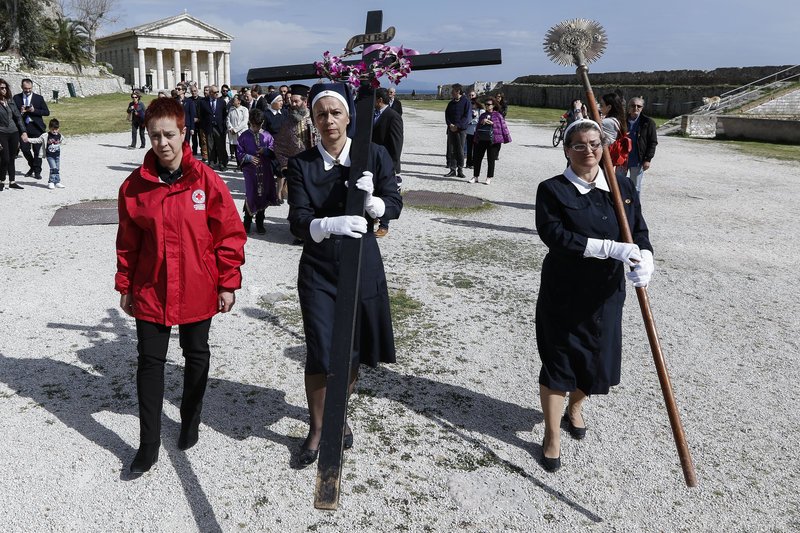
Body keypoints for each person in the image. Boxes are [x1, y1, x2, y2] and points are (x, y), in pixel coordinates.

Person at [115, 97, 246, 475]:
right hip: (151, 288)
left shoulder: (205, 180)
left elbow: (229, 234)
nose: (162, 143)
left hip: (197, 285)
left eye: (169, 135)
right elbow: (128, 242)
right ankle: (148, 444)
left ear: (183, 132)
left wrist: (227, 283)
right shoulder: (134, 187)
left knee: (196, 353)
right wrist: (125, 285)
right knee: (149, 362)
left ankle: (190, 419)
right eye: (155, 136)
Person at [285, 82, 402, 466]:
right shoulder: (302, 164)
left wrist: (374, 204)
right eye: (321, 114)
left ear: (349, 116)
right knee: (321, 351)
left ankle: (339, 413)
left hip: (363, 264)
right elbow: (298, 220)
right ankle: (319, 428)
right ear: (313, 120)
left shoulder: (374, 155)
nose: (329, 120)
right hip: (319, 269)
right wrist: (328, 224)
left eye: (335, 112)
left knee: (352, 350)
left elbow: (394, 203)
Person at [534, 119, 654, 473]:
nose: (588, 151)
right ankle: (552, 435)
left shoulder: (622, 185)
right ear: (566, 150)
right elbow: (554, 236)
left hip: (606, 293)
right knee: (559, 362)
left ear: (604, 146)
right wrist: (609, 248)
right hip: (565, 291)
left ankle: (575, 408)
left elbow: (639, 230)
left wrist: (646, 258)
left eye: (594, 144)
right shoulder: (553, 189)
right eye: (579, 145)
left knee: (597, 361)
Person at [273, 83, 315, 207]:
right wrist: (285, 165)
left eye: (296, 101)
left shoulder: (314, 118)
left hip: (314, 166)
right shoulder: (288, 121)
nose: (293, 104)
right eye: (291, 101)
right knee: (296, 201)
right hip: (296, 168)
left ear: (305, 101)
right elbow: (278, 145)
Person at [236, 108, 276, 235]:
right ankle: (247, 222)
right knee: (251, 193)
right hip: (250, 171)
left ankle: (260, 222)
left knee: (263, 193)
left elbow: (274, 150)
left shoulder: (267, 136)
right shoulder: (244, 136)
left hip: (265, 170)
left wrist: (266, 151)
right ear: (250, 122)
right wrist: (248, 157)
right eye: (253, 126)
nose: (256, 128)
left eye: (258, 126)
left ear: (262, 123)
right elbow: (239, 152)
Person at [371, 87, 404, 238]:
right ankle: (373, 216)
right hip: (373, 158)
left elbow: (397, 142)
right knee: (373, 189)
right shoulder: (373, 114)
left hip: (387, 161)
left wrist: (392, 163)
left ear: (379, 100)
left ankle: (384, 224)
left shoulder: (393, 116)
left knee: (385, 192)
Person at [618, 96, 658, 194]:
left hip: (637, 159)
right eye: (633, 105)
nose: (635, 108)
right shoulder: (621, 121)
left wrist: (648, 159)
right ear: (628, 107)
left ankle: (634, 204)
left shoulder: (648, 122)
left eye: (638, 106)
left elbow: (652, 142)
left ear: (642, 108)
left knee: (635, 187)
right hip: (622, 159)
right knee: (619, 184)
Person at [13, 78, 50, 179]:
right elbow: (13, 114)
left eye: (30, 88)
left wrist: (34, 110)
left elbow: (46, 112)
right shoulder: (16, 98)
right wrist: (20, 112)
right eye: (25, 88)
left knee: (37, 151)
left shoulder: (39, 98)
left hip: (37, 128)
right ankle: (32, 166)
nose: (28, 90)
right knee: (24, 149)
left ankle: (37, 171)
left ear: (32, 87)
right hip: (23, 128)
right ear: (22, 87)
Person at [469, 97, 511, 185]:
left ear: (493, 105)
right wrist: (482, 122)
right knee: (477, 158)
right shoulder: (483, 115)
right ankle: (475, 176)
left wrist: (493, 123)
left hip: (493, 140)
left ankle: (489, 177)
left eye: (488, 104)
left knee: (491, 159)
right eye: (486, 104)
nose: (487, 106)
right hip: (482, 139)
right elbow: (478, 128)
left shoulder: (498, 115)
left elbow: (502, 127)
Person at [0, 78, 29, 191]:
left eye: (5, 88)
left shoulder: (10, 101)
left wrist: (23, 132)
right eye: (2, 88)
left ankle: (12, 182)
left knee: (12, 158)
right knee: (5, 158)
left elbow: (18, 117)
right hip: (2, 133)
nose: (4, 90)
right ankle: (2, 181)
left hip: (14, 133)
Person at [25, 118, 65, 189]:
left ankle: (57, 182)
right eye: (53, 129)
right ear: (49, 128)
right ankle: (51, 182)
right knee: (53, 168)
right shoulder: (46, 135)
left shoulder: (60, 135)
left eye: (56, 129)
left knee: (57, 168)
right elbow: (37, 140)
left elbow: (62, 141)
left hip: (57, 155)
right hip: (50, 156)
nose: (55, 131)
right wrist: (28, 140)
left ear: (58, 128)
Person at [197, 85, 228, 170]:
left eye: (218, 92)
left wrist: (224, 126)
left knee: (221, 145)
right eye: (215, 92)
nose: (217, 94)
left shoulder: (222, 102)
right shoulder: (203, 102)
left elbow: (224, 115)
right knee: (210, 146)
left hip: (219, 128)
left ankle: (222, 163)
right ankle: (212, 162)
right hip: (209, 127)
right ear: (210, 93)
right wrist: (204, 126)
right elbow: (201, 115)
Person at [443, 83, 471, 178]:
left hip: (461, 130)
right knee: (451, 150)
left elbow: (466, 116)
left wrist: (457, 126)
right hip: (451, 129)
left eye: (453, 91)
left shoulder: (466, 102)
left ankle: (460, 169)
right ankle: (452, 169)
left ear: (458, 91)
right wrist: (450, 124)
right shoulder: (451, 103)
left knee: (460, 150)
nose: (451, 92)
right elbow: (447, 114)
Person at [226, 94, 249, 171]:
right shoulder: (231, 109)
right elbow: (228, 119)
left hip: (241, 132)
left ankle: (244, 165)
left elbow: (244, 122)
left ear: (239, 101)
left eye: (234, 99)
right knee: (236, 149)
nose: (233, 100)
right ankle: (239, 164)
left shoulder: (244, 110)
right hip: (233, 133)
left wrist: (236, 129)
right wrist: (230, 128)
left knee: (243, 149)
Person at [465, 91, 482, 169]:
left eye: (473, 103)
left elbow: (481, 120)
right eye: (471, 104)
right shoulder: (468, 111)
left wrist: (474, 120)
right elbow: (466, 120)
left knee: (476, 149)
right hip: (469, 131)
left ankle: (474, 163)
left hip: (477, 131)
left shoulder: (481, 111)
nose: (472, 105)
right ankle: (468, 163)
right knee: (469, 148)